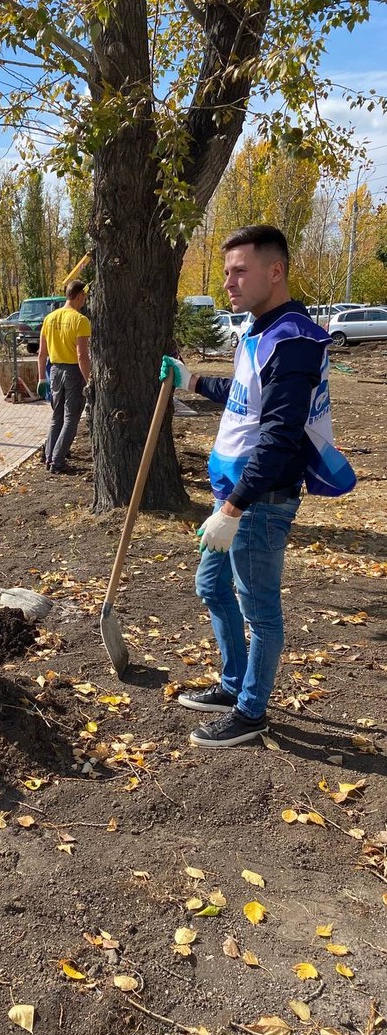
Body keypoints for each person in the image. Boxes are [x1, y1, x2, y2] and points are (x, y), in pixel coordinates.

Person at [162, 224, 356, 749]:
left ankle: (250, 712)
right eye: (226, 272)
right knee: (210, 587)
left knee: (260, 611)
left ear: (276, 271)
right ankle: (232, 684)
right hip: (236, 498)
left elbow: (279, 434)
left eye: (240, 270)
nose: (229, 281)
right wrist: (194, 381)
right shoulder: (263, 330)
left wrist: (234, 508)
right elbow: (247, 396)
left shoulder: (291, 339)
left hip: (258, 501)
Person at [37, 279, 91, 474]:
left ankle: (50, 456)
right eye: (84, 296)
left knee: (57, 416)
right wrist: (89, 379)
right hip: (73, 372)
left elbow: (42, 353)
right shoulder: (80, 320)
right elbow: (81, 355)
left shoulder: (50, 318)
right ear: (78, 296)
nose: (85, 300)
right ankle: (57, 462)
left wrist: (42, 378)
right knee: (71, 417)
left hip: (54, 370)